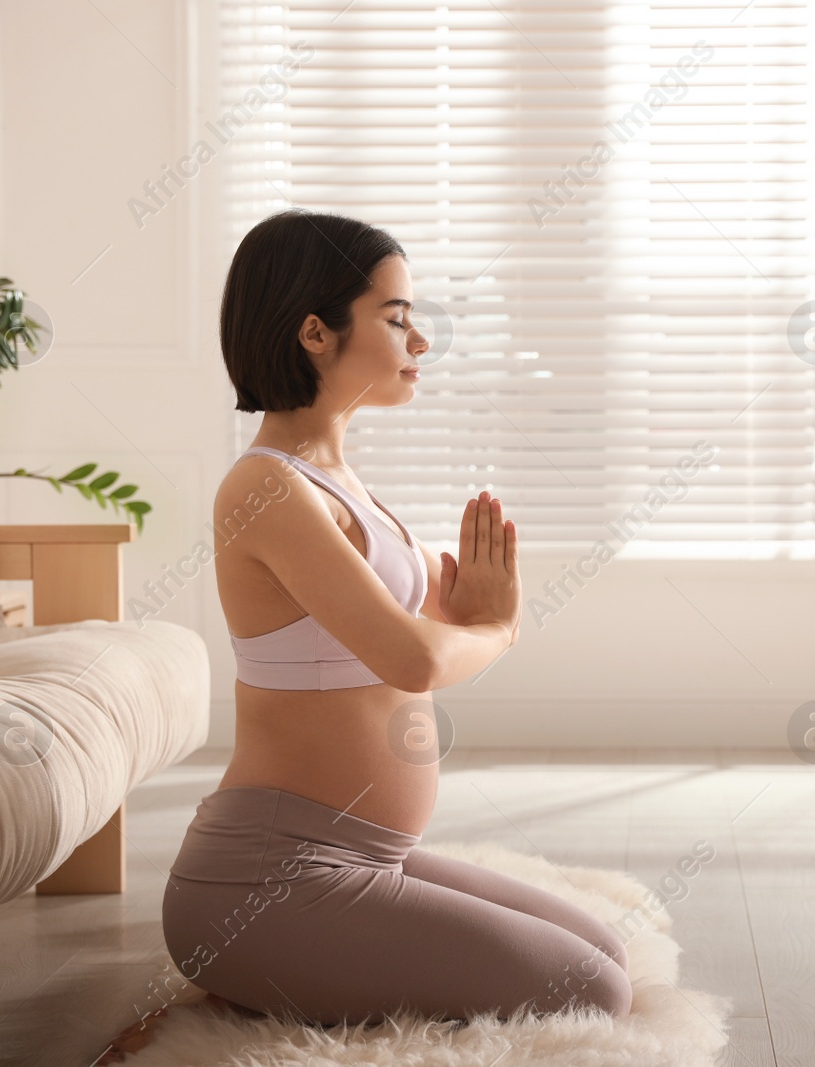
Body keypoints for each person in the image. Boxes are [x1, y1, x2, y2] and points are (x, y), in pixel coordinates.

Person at [160, 210, 630, 1026]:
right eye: (397, 317)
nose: (420, 341)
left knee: (607, 953)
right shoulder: (266, 488)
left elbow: (388, 640)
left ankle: (299, 966)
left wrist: (449, 613)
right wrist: (492, 630)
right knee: (592, 991)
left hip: (372, 853)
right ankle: (254, 958)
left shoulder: (339, 478)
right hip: (268, 876)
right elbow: (410, 661)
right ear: (315, 331)